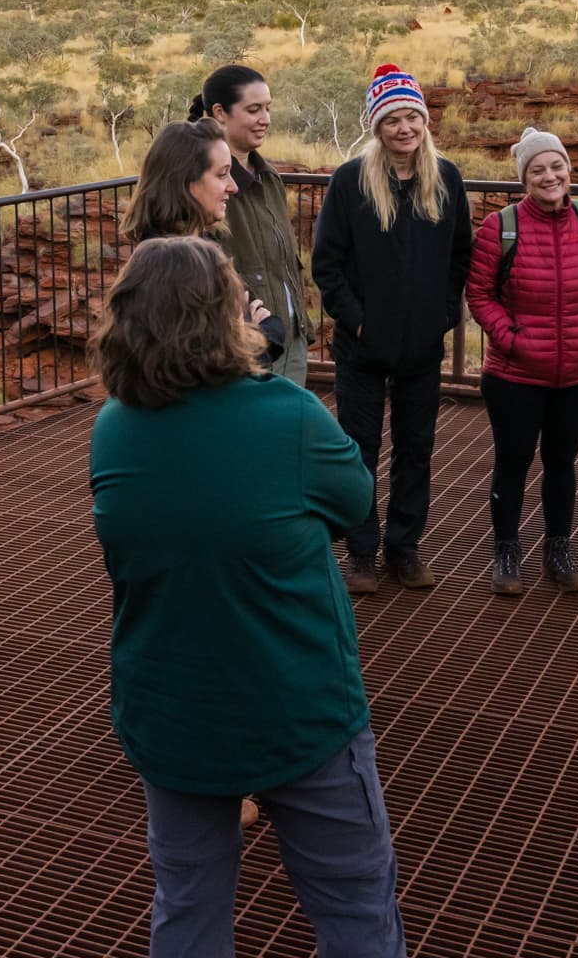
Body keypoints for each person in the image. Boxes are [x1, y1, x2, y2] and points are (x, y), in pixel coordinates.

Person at [90, 236, 416, 958]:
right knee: (356, 911)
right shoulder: (288, 417)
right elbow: (353, 500)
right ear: (224, 314)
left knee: (189, 910)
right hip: (299, 704)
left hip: (171, 709)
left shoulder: (115, 430)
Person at [311, 64, 473, 598]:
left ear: (425, 122)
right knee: (358, 449)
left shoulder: (445, 179)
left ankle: (404, 547)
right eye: (392, 120)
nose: (404, 129)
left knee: (415, 447)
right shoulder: (351, 181)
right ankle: (360, 552)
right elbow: (326, 266)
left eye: (413, 118)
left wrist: (444, 313)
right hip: (361, 348)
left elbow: (459, 257)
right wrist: (356, 320)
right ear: (377, 127)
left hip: (422, 347)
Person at [464, 126, 578, 595]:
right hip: (515, 373)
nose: (550, 176)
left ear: (569, 170)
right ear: (524, 178)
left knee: (561, 462)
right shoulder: (501, 227)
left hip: (576, 371)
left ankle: (558, 550)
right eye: (537, 169)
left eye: (556, 166)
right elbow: (479, 294)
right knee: (513, 460)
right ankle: (506, 551)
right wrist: (511, 339)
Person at [123, 118, 287, 366]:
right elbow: (218, 363)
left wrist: (255, 330)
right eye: (222, 175)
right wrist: (265, 334)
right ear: (186, 184)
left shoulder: (205, 245)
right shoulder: (169, 266)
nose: (232, 187)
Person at [193, 64, 313, 386]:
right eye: (254, 109)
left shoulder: (269, 176)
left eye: (268, 108)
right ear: (220, 112)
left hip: (289, 336)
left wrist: (300, 328)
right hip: (244, 341)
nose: (265, 119)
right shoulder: (203, 187)